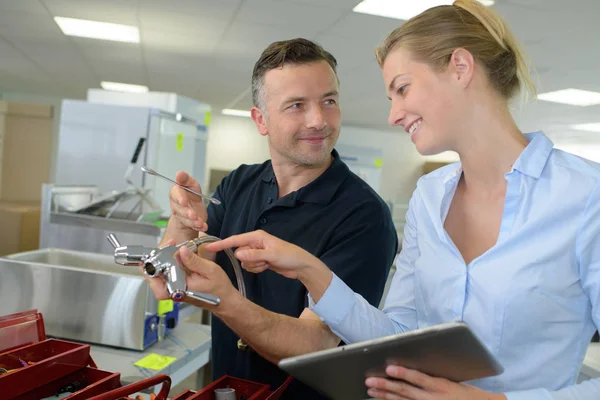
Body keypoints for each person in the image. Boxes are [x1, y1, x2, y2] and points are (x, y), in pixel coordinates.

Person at [205, 1, 600, 399]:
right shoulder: (430, 196)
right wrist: (312, 271)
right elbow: (396, 336)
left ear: (460, 68)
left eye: (402, 89)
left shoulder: (585, 196)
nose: (393, 114)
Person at [149, 38, 398, 399]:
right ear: (261, 120)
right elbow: (185, 272)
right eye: (296, 105)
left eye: (329, 101)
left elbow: (316, 344)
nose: (318, 120)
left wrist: (228, 303)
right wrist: (183, 222)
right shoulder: (239, 183)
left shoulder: (364, 216)